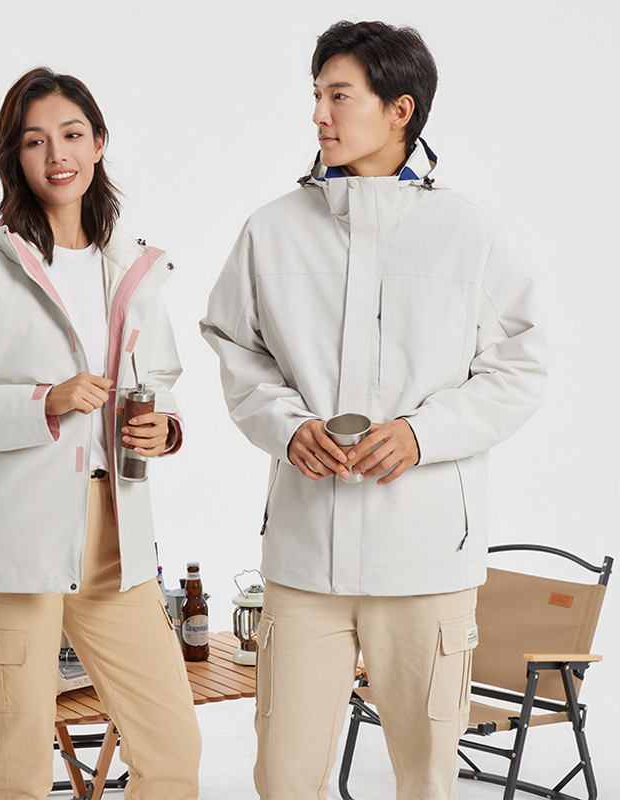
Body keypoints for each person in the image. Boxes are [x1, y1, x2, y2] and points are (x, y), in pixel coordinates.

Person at [201, 20, 545, 800]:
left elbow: (522, 366)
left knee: (426, 779)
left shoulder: (470, 235)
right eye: (316, 95)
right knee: (284, 777)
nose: (318, 115)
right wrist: (288, 426)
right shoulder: (271, 230)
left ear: (400, 109)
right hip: (305, 562)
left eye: (338, 96)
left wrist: (423, 435)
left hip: (424, 559)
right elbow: (234, 346)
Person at [0, 67, 200, 800]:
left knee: (172, 749)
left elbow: (159, 379)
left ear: (98, 143)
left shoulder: (132, 268)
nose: (57, 154)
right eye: (35, 141)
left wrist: (164, 428)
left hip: (116, 537)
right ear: (14, 156)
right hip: (13, 547)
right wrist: (45, 402)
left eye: (71, 134)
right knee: (20, 766)